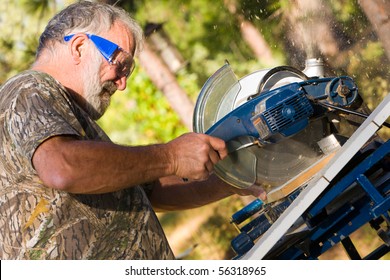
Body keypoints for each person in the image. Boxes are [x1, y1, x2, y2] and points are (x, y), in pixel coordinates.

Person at [0, 1, 265, 260]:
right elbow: (62, 167)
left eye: (129, 69)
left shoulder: (70, 119)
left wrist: (230, 181)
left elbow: (151, 191)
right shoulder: (28, 89)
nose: (122, 82)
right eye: (120, 62)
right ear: (80, 47)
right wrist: (171, 156)